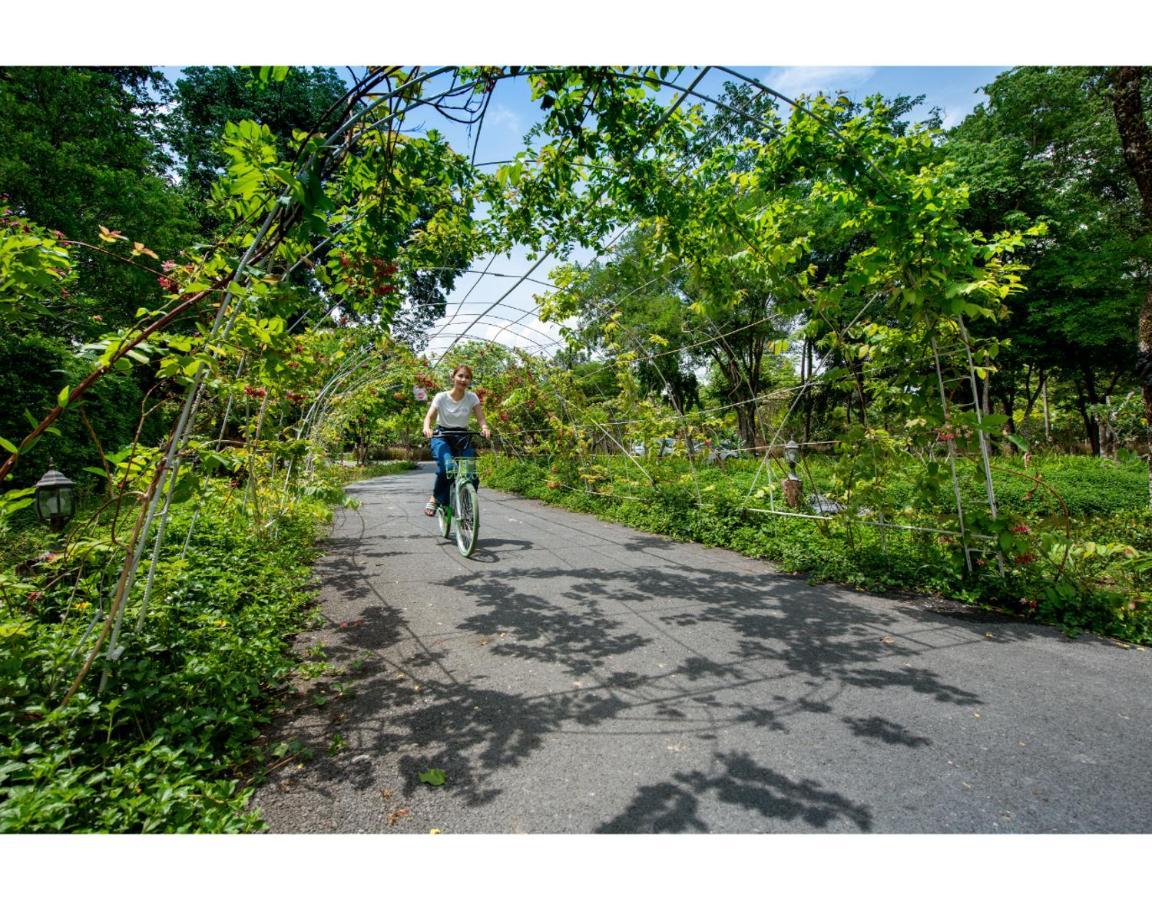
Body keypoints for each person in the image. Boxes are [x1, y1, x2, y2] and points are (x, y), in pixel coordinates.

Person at [422, 364, 490, 516]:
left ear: (470, 381)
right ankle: (436, 498)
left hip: (462, 436)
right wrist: (427, 428)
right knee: (448, 468)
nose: (463, 379)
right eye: (460, 376)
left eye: (467, 377)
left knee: (470, 474)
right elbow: (429, 417)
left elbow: (481, 418)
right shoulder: (441, 397)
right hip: (442, 436)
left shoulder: (472, 397)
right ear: (453, 377)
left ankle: (466, 509)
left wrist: (485, 428)